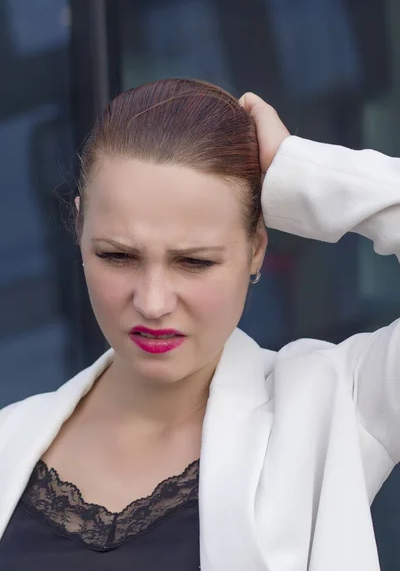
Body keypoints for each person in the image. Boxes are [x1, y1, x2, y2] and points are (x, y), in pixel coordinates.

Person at [0, 79, 398, 571]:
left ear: (256, 248)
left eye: (194, 262)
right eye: (117, 256)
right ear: (80, 232)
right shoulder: (8, 441)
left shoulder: (333, 405)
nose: (152, 302)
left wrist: (300, 172)